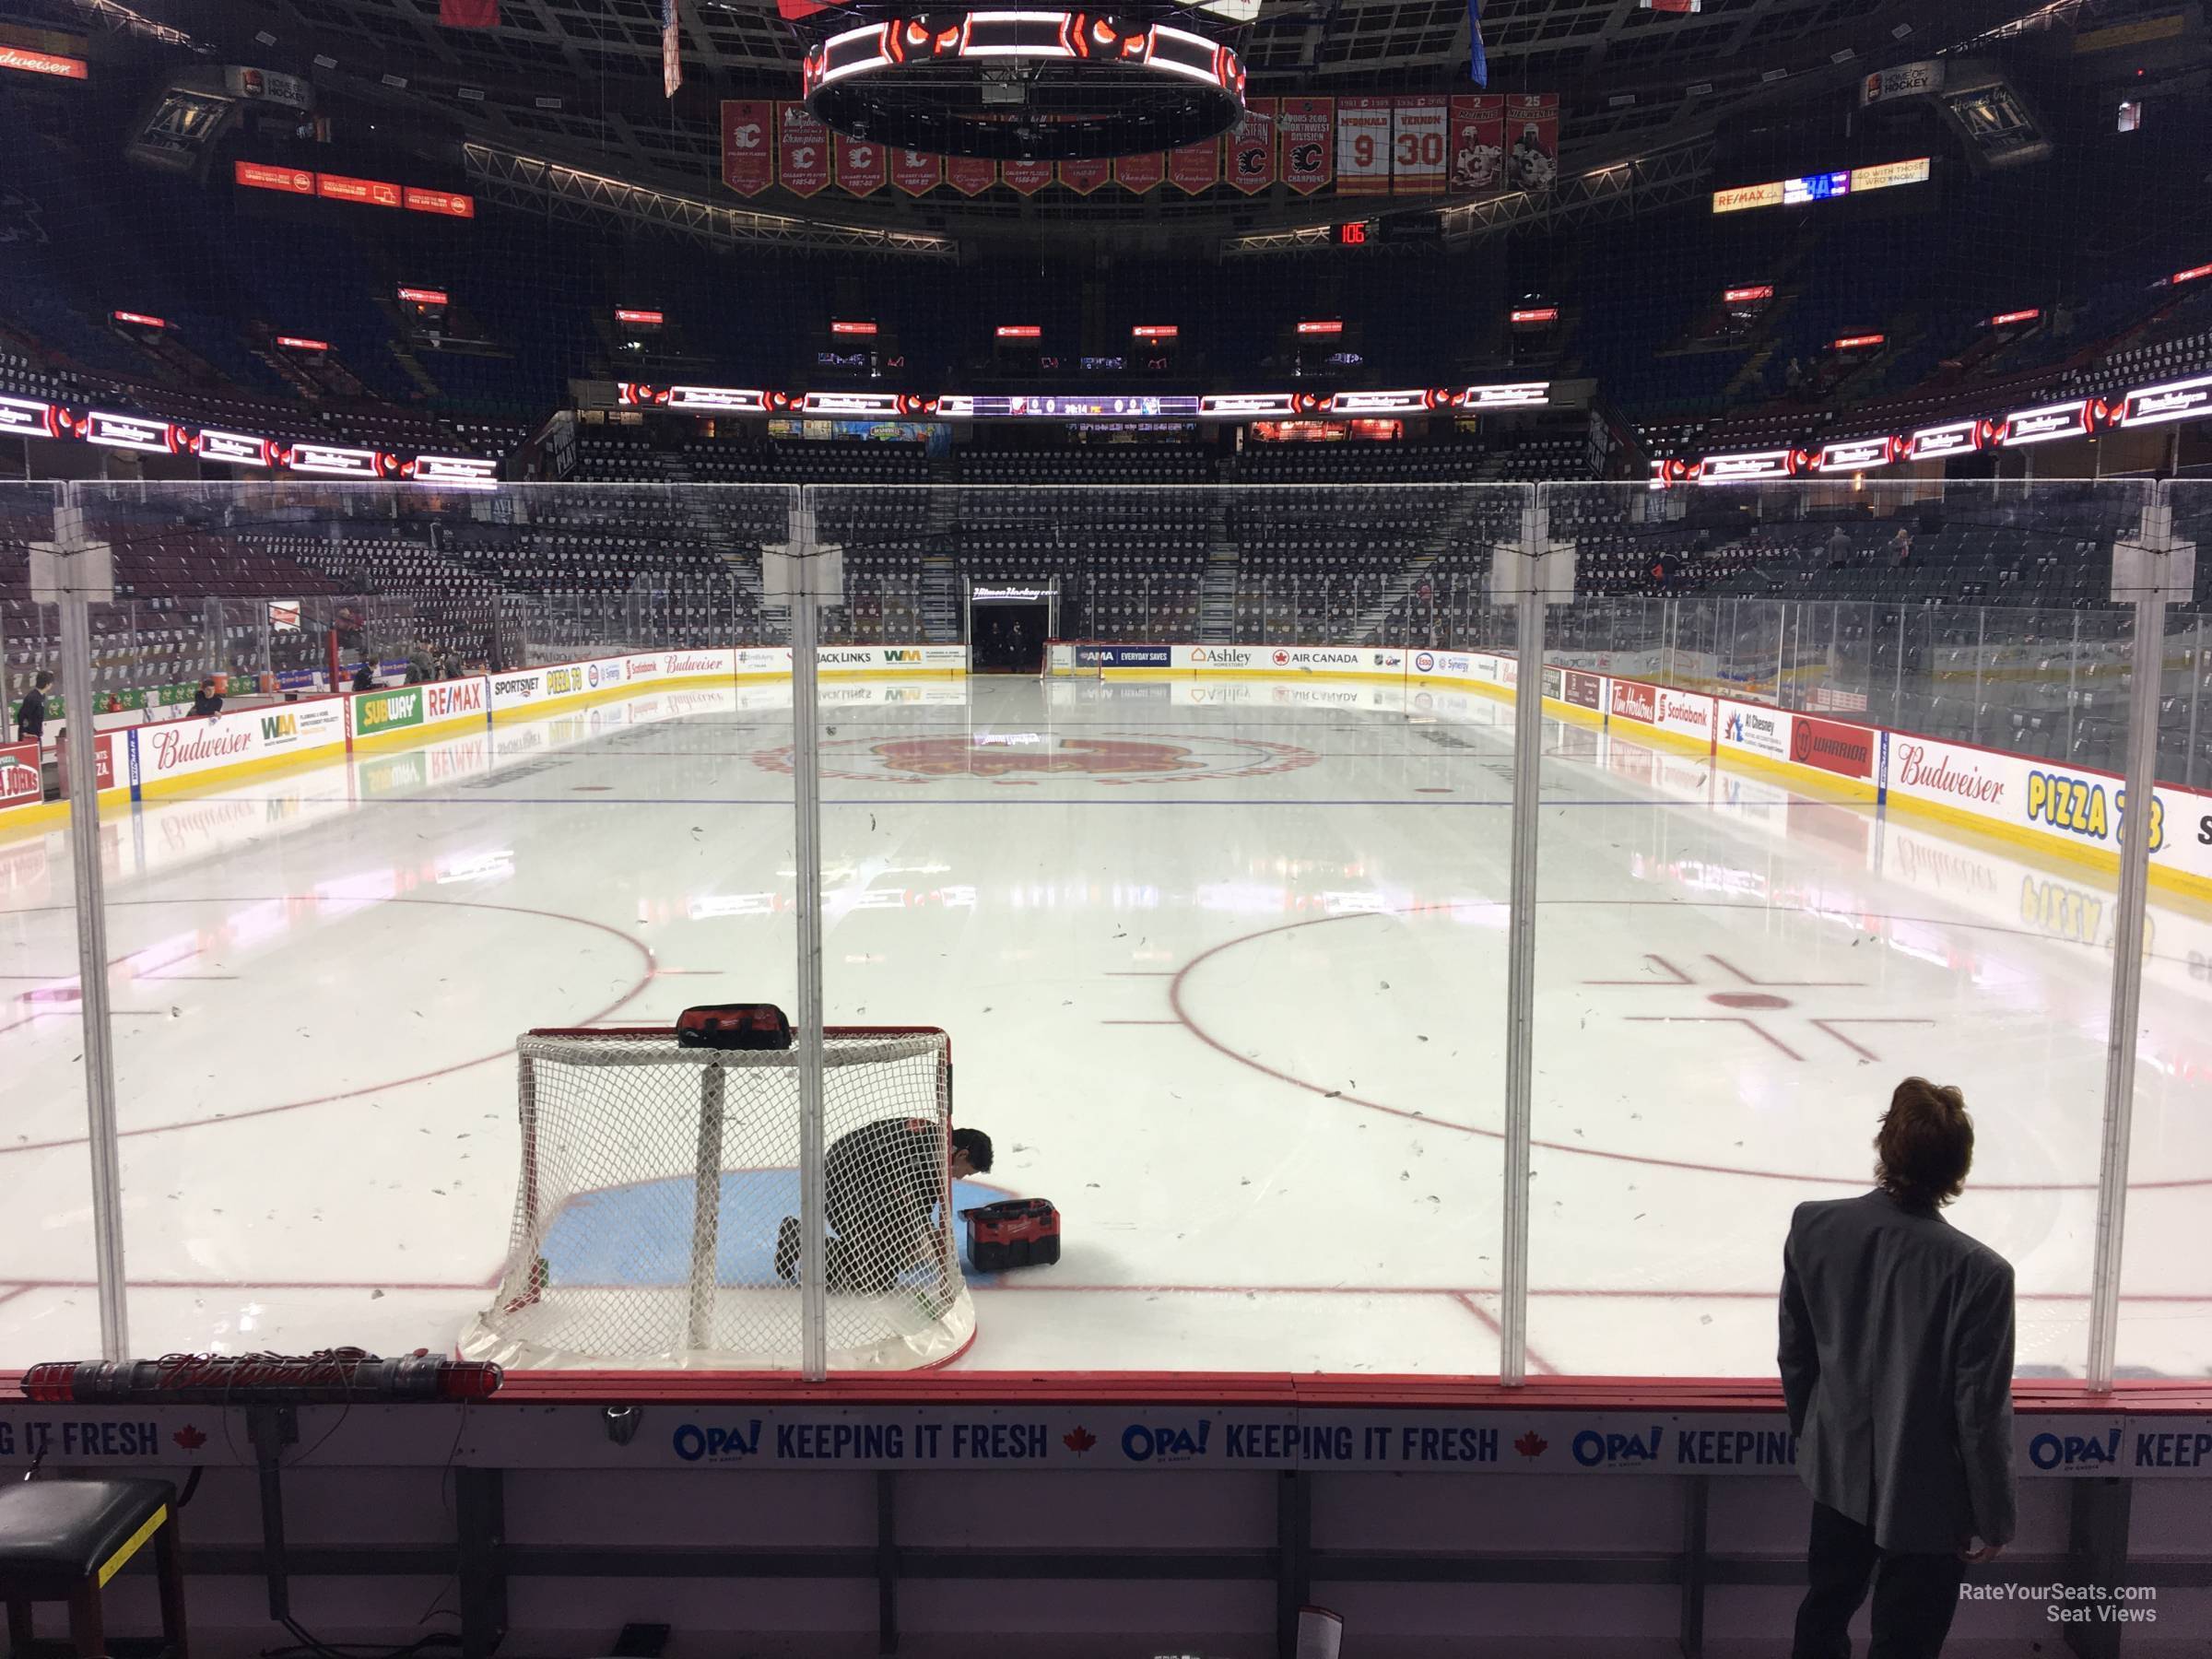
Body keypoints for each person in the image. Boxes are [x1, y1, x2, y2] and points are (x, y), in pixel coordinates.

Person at [1780, 1078, 2017, 1659]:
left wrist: (1817, 1442)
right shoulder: (1981, 1274)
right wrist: (1995, 1517)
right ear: (1958, 1169)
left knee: (1824, 1613)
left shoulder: (1815, 1227)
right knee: (1907, 1643)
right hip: (1929, 1497)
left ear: (1885, 1147)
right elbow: (1978, 1413)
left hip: (1837, 1472)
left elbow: (1797, 1355)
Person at [775, 1124, 994, 1296]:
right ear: (962, 1155)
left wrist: (917, 1239)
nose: (960, 1177)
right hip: (845, 1190)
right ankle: (800, 1238)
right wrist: (923, 1247)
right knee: (874, 1276)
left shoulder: (934, 1141)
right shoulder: (925, 1155)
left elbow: (919, 1211)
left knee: (889, 1264)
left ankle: (811, 1240)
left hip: (855, 1185)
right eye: (966, 1172)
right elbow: (912, 1211)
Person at [15, 671, 53, 744]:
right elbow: (22, 715)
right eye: (51, 683)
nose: (52, 685)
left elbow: (36, 715)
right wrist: (25, 732)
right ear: (47, 684)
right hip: (29, 736)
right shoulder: (32, 698)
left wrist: (40, 727)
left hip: (36, 734)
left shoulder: (41, 696)